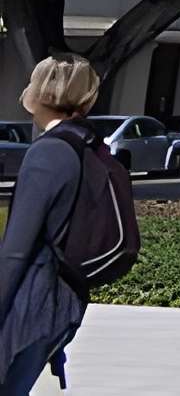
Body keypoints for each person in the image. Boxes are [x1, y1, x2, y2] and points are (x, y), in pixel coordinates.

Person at [0, 55, 97, 396]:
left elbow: (16, 250)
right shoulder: (88, 145)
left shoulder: (48, 153)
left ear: (37, 95)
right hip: (64, 298)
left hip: (32, 300)